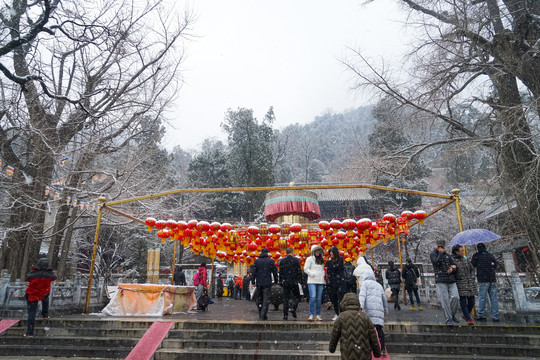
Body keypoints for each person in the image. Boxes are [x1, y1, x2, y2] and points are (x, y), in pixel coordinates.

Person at [329, 292, 381, 360]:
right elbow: (373, 336)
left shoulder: (341, 317)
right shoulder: (364, 317)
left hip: (348, 354)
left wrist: (332, 348)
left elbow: (335, 335)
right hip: (364, 354)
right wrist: (377, 352)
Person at [25, 257, 56, 337]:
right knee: (45, 300)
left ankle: (30, 332)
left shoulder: (34, 273)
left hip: (32, 293)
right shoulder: (49, 274)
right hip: (43, 292)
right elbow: (54, 278)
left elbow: (27, 278)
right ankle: (45, 315)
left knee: (31, 312)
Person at [359, 270, 389, 356]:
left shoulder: (364, 284)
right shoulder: (379, 285)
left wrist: (360, 306)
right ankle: (382, 347)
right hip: (379, 310)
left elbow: (362, 295)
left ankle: (371, 347)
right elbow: (384, 299)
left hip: (369, 310)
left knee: (369, 329)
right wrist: (385, 310)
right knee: (379, 329)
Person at [430, 240, 459, 325]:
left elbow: (454, 265)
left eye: (442, 247)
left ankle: (452, 314)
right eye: (439, 247)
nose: (441, 248)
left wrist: (453, 269)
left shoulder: (447, 255)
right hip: (441, 280)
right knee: (445, 300)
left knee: (455, 297)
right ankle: (448, 318)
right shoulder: (433, 254)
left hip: (451, 279)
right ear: (436, 246)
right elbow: (436, 263)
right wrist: (440, 253)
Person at [471, 242, 499, 322]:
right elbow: (495, 266)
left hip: (482, 279)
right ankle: (495, 316)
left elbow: (472, 266)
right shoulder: (490, 255)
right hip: (492, 279)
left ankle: (482, 314)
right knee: (493, 298)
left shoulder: (476, 256)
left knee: (482, 297)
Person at [451, 244, 477, 325]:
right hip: (460, 283)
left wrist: (472, 277)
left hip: (469, 282)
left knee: (471, 300)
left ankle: (466, 315)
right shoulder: (452, 261)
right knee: (463, 300)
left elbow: (471, 268)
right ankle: (468, 318)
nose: (463, 251)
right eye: (461, 250)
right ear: (456, 252)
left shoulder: (465, 259)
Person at [251, 248, 278, 320]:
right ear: (267, 253)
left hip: (259, 282)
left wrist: (253, 281)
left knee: (259, 298)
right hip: (267, 282)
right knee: (266, 299)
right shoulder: (270, 261)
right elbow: (275, 271)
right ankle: (263, 313)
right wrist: (276, 281)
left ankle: (260, 311)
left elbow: (253, 272)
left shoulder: (257, 261)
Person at [278, 247, 302, 320]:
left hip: (285, 282)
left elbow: (280, 272)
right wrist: (299, 280)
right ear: (292, 252)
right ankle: (293, 308)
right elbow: (299, 272)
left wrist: (281, 281)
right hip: (294, 282)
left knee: (286, 298)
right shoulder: (296, 261)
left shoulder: (282, 261)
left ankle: (285, 315)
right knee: (297, 296)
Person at [303, 244, 326, 321]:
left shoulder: (321, 259)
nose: (318, 252)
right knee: (313, 297)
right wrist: (312, 274)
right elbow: (305, 269)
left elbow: (322, 269)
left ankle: (318, 314)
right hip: (312, 281)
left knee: (319, 298)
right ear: (313, 251)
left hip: (320, 281)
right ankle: (311, 314)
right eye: (316, 250)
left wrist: (322, 275)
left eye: (318, 250)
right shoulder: (309, 259)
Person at [326, 246, 346, 321]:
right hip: (332, 283)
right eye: (330, 252)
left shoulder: (340, 259)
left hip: (340, 282)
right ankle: (337, 313)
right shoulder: (329, 261)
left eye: (332, 252)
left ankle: (341, 313)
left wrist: (332, 266)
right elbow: (329, 271)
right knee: (334, 299)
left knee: (340, 298)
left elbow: (338, 267)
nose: (331, 253)